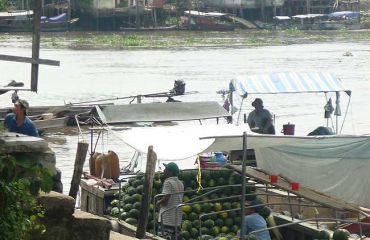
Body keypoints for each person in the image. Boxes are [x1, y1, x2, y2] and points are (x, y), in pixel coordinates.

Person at [157, 162, 184, 240]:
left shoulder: (168, 182)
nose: (163, 170)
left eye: (166, 169)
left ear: (170, 172)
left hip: (167, 219)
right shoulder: (180, 183)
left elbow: (166, 199)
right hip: (177, 219)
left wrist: (158, 203)